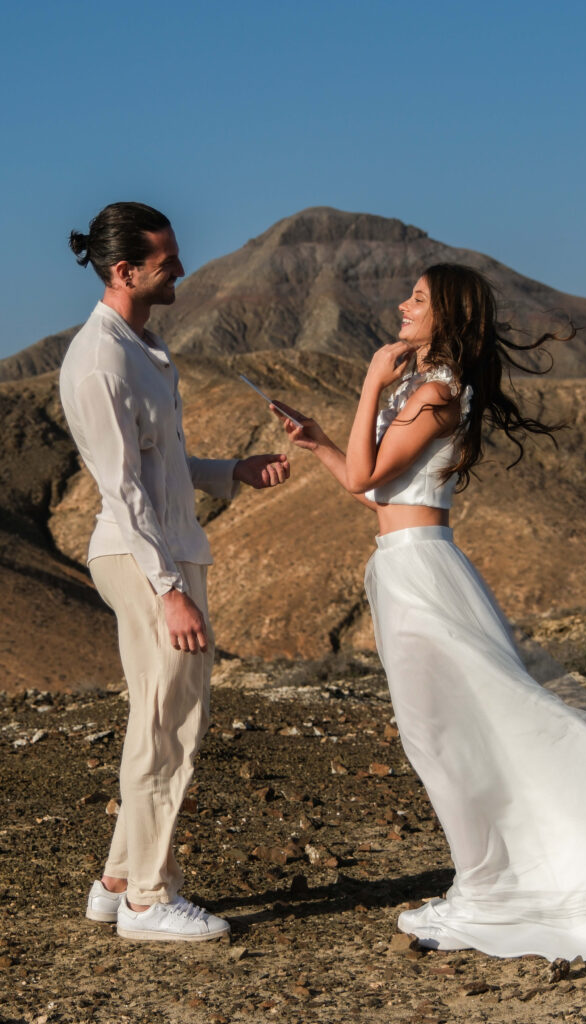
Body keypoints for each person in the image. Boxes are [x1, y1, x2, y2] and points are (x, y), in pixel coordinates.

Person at [274, 263, 586, 968]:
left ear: (449, 316)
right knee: (440, 738)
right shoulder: (424, 388)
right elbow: (367, 490)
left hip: (421, 572)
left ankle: (494, 891)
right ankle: (489, 882)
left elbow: (373, 477)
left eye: (418, 299)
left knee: (453, 736)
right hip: (402, 563)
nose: (403, 306)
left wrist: (371, 378)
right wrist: (315, 442)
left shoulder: (432, 392)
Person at [60, 202, 290, 942]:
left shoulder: (139, 346)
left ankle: (119, 879)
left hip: (162, 547)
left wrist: (229, 472)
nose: (182, 269)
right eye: (167, 261)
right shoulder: (101, 361)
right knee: (170, 729)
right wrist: (168, 593)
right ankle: (149, 903)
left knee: (155, 722)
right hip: (143, 556)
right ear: (124, 271)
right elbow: (122, 489)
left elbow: (156, 466)